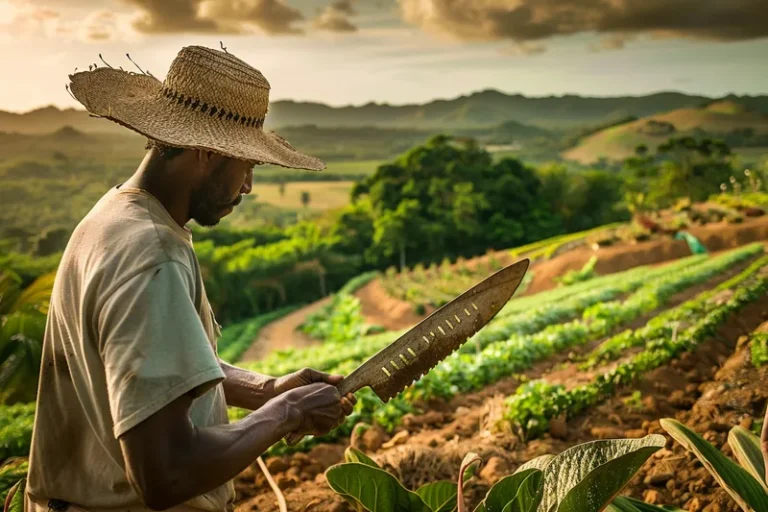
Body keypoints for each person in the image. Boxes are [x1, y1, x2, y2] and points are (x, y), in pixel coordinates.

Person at [23, 44, 356, 512]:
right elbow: (166, 473)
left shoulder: (114, 216)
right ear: (206, 151)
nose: (248, 186)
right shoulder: (150, 255)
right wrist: (288, 412)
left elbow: (153, 366)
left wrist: (268, 390)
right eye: (247, 164)